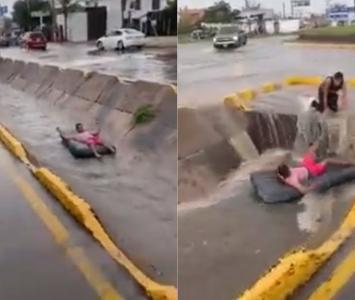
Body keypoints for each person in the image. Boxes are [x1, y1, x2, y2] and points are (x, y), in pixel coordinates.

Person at [277, 141, 352, 194]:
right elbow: (302, 190)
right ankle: (346, 163)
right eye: (287, 169)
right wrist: (312, 187)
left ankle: (319, 142)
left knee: (309, 153)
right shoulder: (292, 180)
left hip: (305, 166)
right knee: (327, 160)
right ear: (286, 172)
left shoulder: (282, 175)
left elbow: (279, 173)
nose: (288, 168)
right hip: (312, 171)